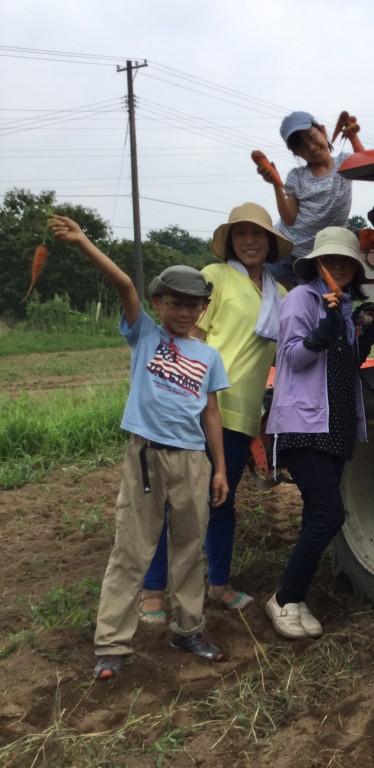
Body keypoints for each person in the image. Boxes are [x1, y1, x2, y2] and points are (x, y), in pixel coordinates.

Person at [48, 215, 230, 680]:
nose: (185, 313)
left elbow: (211, 413)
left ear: (203, 310)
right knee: (132, 548)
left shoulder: (208, 356)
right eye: (175, 304)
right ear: (157, 304)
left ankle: (188, 628)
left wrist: (219, 469)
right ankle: (112, 644)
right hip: (146, 456)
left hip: (192, 460)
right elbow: (124, 283)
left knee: (190, 549)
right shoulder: (145, 334)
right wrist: (83, 241)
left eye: (194, 306)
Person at [140, 203, 292, 622]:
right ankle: (153, 588)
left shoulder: (279, 294)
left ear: (270, 242)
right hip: (201, 406)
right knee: (178, 499)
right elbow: (191, 335)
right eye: (241, 234)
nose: (250, 241)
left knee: (221, 501)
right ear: (230, 241)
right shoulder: (216, 276)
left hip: (242, 412)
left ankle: (218, 584)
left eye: (258, 234)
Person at [264, 226, 374, 639]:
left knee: (317, 513)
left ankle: (295, 598)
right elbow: (292, 358)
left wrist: (362, 338)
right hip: (304, 423)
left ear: (354, 268)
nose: (337, 267)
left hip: (337, 421)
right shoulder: (301, 298)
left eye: (345, 261)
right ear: (316, 263)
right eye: (330, 260)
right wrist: (322, 333)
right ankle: (284, 598)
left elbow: (344, 364)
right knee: (330, 514)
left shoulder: (343, 304)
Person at [257, 110, 364, 284]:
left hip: (317, 255)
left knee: (314, 304)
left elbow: (367, 166)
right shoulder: (297, 176)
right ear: (296, 153)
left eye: (311, 137)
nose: (311, 147)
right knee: (276, 302)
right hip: (283, 250)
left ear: (322, 130)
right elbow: (289, 218)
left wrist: (352, 137)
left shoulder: (345, 163)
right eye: (301, 146)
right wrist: (276, 184)